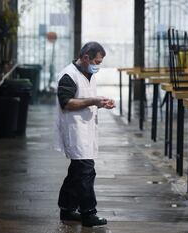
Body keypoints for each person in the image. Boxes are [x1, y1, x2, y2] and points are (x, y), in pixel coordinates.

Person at [54, 41, 115, 227]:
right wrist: (93, 101)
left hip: (86, 129)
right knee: (86, 172)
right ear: (86, 57)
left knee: (77, 172)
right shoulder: (68, 75)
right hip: (75, 130)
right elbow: (67, 102)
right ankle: (88, 213)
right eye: (97, 61)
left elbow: (87, 98)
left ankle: (67, 208)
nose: (98, 65)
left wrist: (101, 103)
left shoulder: (88, 73)